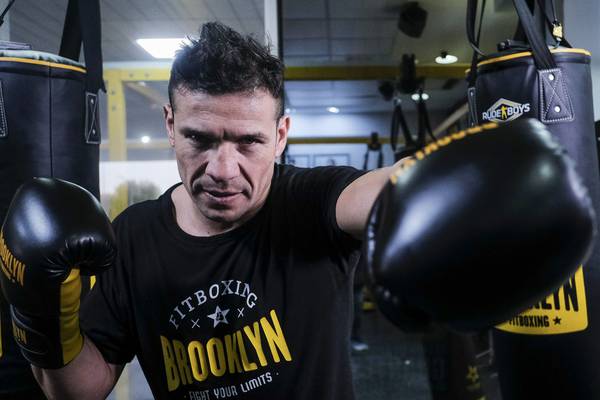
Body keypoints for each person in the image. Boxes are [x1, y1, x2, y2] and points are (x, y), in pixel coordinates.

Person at [0, 21, 594, 400]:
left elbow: (375, 191)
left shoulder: (310, 201)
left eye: (249, 142)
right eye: (200, 139)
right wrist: (40, 319)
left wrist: (448, 187)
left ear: (281, 135)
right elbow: (80, 390)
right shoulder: (130, 238)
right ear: (170, 125)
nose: (223, 168)